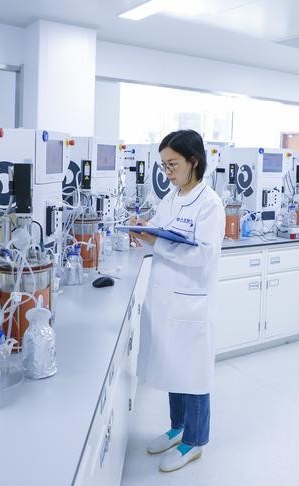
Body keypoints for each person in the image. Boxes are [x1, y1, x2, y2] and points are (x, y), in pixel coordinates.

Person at [130, 129, 225, 473]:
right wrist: (141, 229)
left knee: (193, 373)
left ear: (193, 161)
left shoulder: (209, 204)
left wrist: (156, 242)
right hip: (166, 299)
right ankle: (178, 427)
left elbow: (203, 257)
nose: (167, 172)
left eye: (172, 164)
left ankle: (195, 442)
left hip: (191, 303)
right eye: (164, 165)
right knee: (173, 366)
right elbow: (158, 228)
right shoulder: (171, 197)